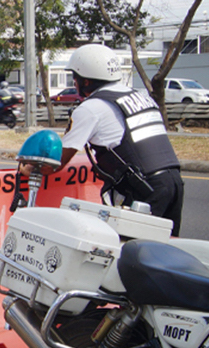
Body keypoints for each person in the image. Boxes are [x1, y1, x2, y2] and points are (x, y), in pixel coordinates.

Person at [22, 44, 184, 236]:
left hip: (146, 190)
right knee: (166, 251)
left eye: (75, 77)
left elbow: (56, 163)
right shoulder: (140, 97)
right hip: (174, 182)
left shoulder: (91, 108)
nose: (74, 82)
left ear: (86, 81)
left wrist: (29, 168)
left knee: (130, 255)